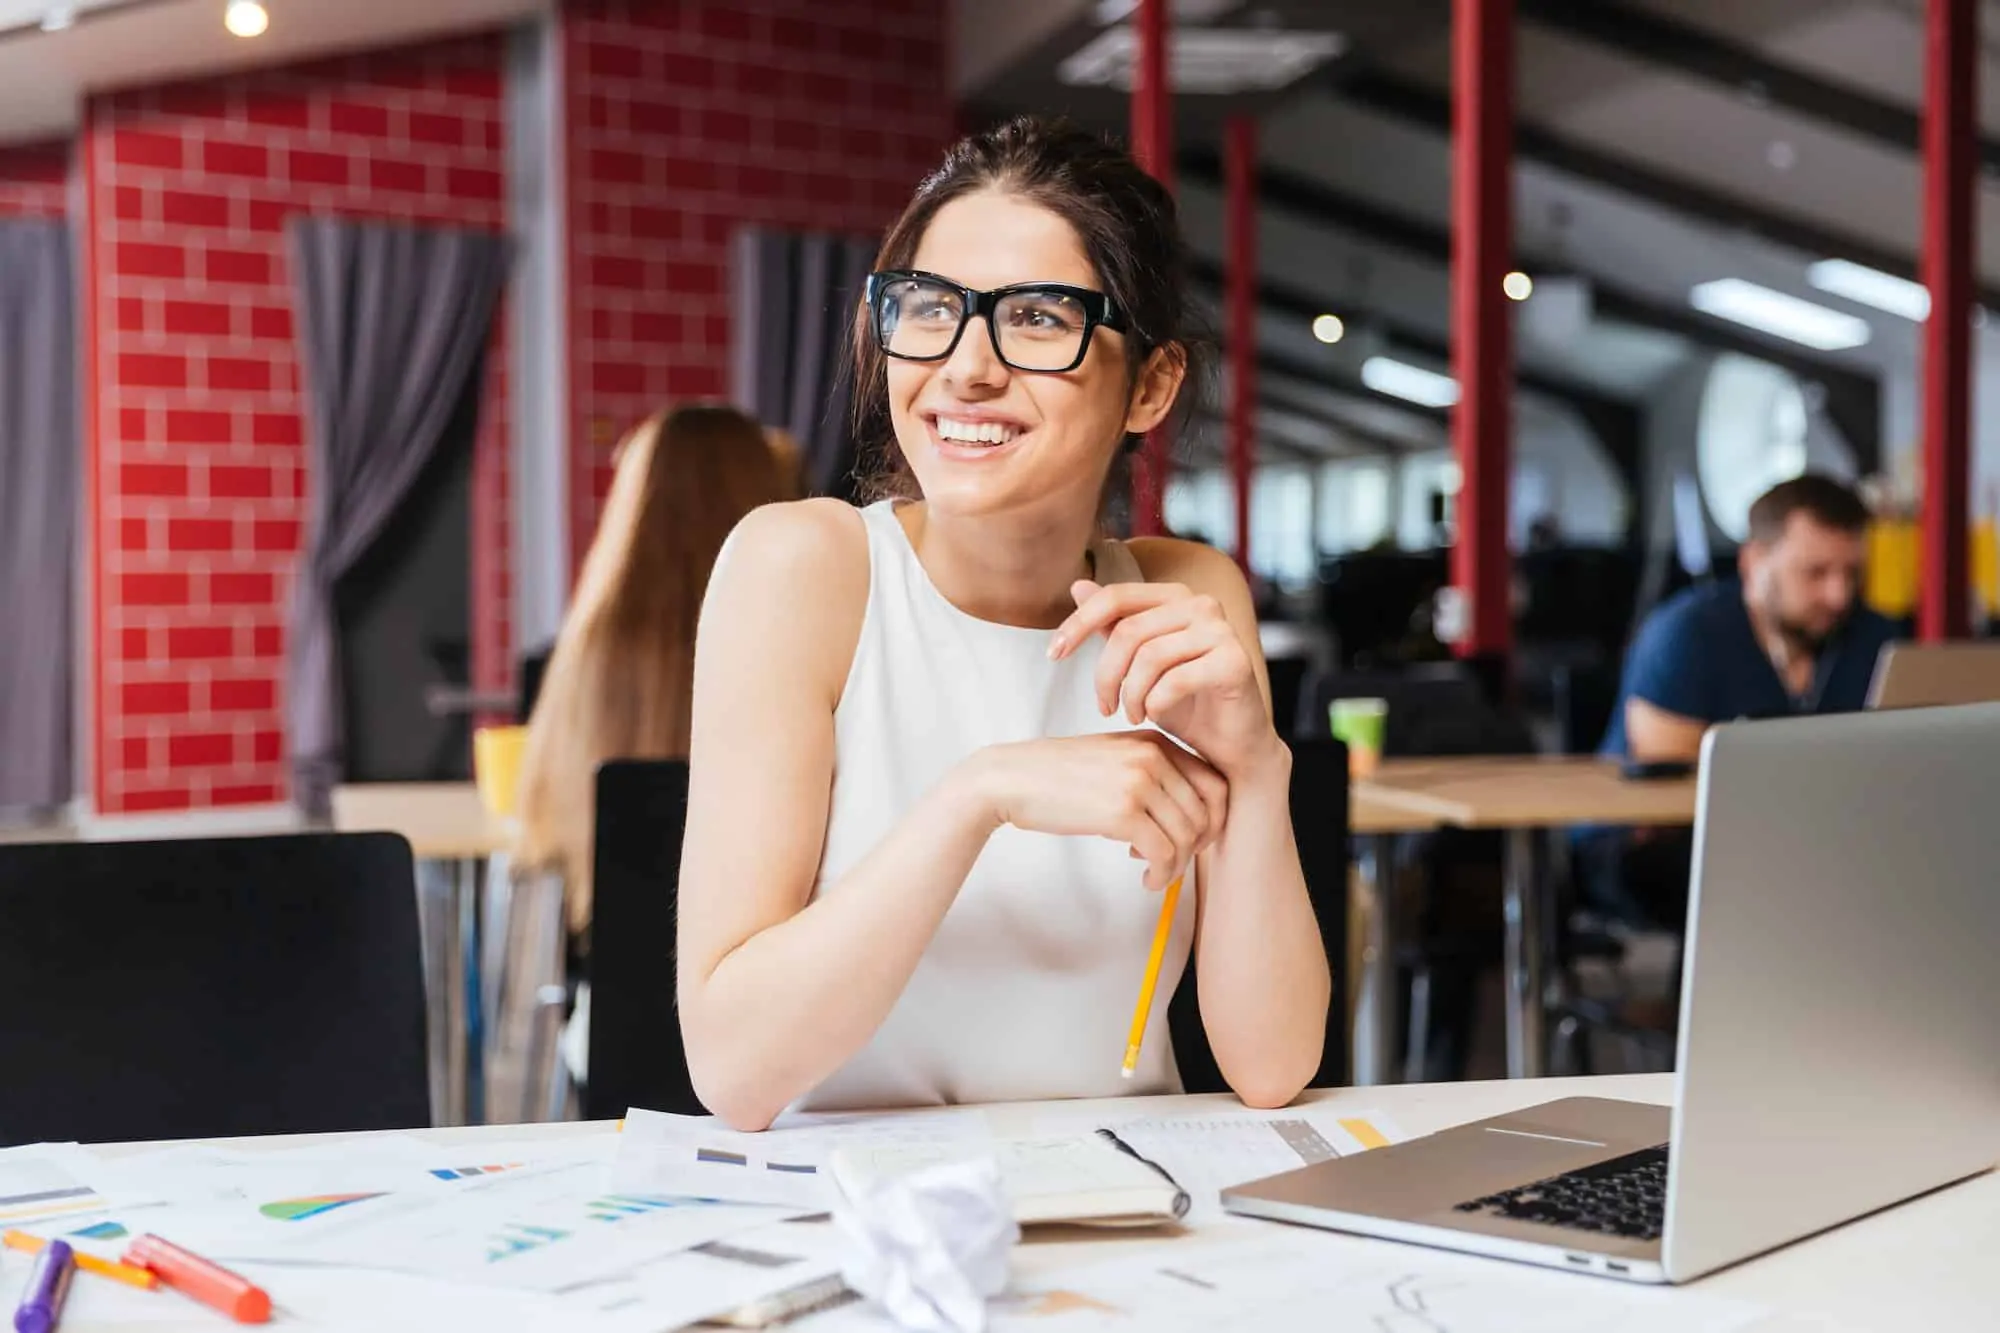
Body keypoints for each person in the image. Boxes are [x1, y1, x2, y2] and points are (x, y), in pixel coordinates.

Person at [677, 117, 1331, 1132]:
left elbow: (1270, 1066)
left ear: (1149, 385)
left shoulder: (1184, 596)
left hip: (1127, 1210)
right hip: (851, 1222)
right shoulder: (801, 568)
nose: (965, 367)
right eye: (929, 308)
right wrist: (981, 792)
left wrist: (1255, 767)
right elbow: (733, 1069)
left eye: (1034, 317)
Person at [517, 403, 794, 941]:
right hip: (764, 983)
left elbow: (540, 833)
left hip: (607, 995)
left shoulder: (589, 648)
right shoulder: (798, 642)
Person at [1585, 472, 1895, 931]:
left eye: (1851, 573)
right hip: (1649, 842)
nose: (1838, 595)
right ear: (1754, 563)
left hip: (1811, 837)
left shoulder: (1875, 637)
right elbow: (1674, 791)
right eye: (1815, 573)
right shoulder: (1686, 633)